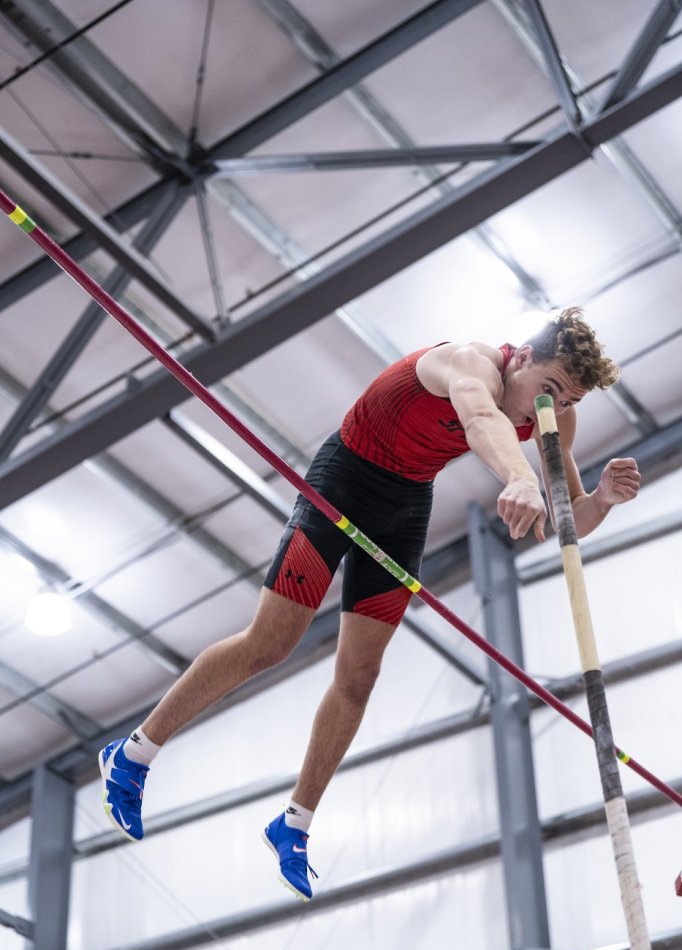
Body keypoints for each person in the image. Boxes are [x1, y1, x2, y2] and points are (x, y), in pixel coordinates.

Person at [98, 307, 640, 900]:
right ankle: (133, 753)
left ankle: (293, 824)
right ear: (523, 356)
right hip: (346, 479)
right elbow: (481, 418)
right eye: (550, 389)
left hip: (404, 508)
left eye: (569, 400)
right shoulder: (470, 363)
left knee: (359, 676)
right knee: (270, 644)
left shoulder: (556, 417)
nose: (552, 407)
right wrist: (520, 477)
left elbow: (567, 520)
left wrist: (601, 500)